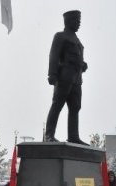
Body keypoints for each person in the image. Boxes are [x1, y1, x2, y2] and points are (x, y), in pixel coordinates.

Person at [44, 10, 88, 145]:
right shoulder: (61, 36)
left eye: (80, 21)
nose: (79, 24)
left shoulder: (78, 41)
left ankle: (73, 135)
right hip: (64, 76)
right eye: (77, 21)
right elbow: (54, 55)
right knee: (57, 104)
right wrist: (52, 74)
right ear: (68, 21)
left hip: (77, 78)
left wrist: (83, 65)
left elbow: (76, 57)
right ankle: (49, 135)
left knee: (75, 107)